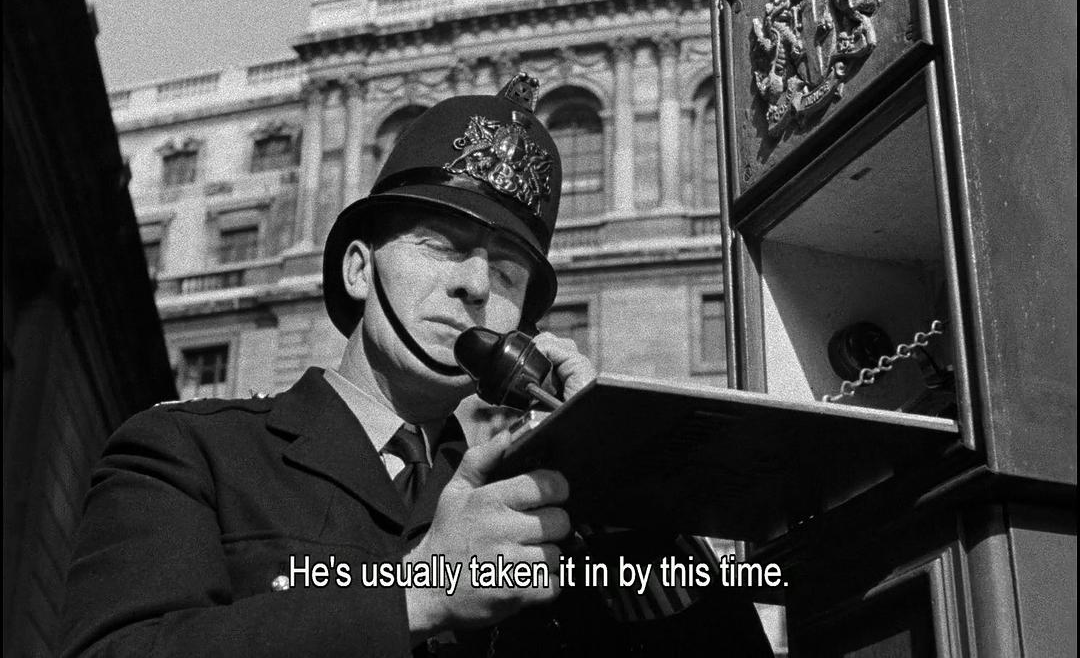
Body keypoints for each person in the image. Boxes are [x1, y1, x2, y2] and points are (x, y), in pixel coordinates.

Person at [60, 73, 771, 656]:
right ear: (359, 268)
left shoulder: (545, 503)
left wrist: (627, 497)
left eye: (508, 271)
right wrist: (416, 595)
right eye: (441, 245)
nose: (475, 284)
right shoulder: (191, 451)